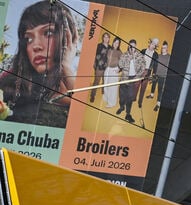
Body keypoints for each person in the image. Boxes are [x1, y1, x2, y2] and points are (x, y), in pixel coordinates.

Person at [0, 0, 80, 128]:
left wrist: (65, 67)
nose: (36, 46)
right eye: (29, 39)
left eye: (48, 33)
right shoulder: (10, 83)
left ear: (69, 37)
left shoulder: (79, 88)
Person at [117, 38, 144, 124]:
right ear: (128, 46)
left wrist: (138, 76)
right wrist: (129, 57)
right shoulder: (124, 55)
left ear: (136, 47)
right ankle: (121, 107)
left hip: (133, 79)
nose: (132, 48)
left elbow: (143, 67)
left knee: (130, 97)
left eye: (134, 47)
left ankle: (128, 114)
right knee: (121, 96)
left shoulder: (139, 55)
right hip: (124, 78)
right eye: (130, 46)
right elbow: (120, 65)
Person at [136, 38, 158, 108]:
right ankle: (133, 98)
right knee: (136, 86)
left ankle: (140, 102)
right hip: (140, 70)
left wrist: (154, 73)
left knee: (143, 88)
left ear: (155, 46)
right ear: (149, 43)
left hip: (147, 72)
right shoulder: (143, 50)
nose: (152, 46)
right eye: (152, 44)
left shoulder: (155, 55)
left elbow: (155, 65)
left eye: (154, 45)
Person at [89, 32, 110, 103]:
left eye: (107, 37)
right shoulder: (99, 46)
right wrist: (95, 66)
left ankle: (104, 93)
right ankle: (92, 95)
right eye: (105, 37)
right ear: (103, 38)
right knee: (96, 82)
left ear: (109, 39)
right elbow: (94, 56)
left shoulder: (110, 47)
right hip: (99, 67)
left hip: (107, 68)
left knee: (105, 81)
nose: (106, 38)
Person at [102, 36, 122, 109]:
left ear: (119, 44)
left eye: (118, 43)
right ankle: (107, 97)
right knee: (106, 84)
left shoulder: (119, 52)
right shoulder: (109, 50)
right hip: (107, 69)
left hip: (114, 70)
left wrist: (119, 69)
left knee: (112, 87)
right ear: (113, 42)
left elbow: (123, 62)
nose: (116, 44)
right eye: (115, 42)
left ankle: (112, 103)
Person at [150, 40, 170, 111]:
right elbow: (155, 65)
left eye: (164, 48)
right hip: (156, 75)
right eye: (162, 48)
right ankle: (151, 95)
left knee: (160, 90)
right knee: (153, 85)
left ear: (167, 48)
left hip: (163, 76)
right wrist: (153, 72)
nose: (163, 49)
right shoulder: (158, 56)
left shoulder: (169, 57)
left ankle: (158, 104)